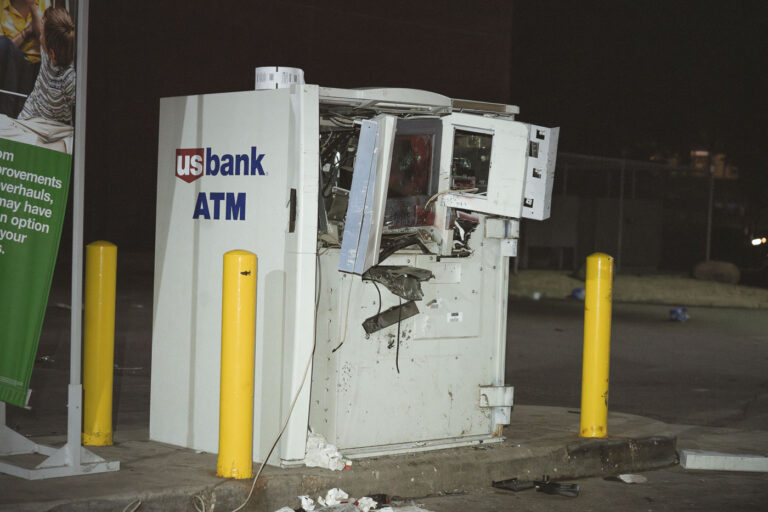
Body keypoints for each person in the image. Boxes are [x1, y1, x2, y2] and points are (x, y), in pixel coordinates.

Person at [18, 5, 74, 125]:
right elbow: (40, 27)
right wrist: (32, 7)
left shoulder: (69, 78)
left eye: (42, 35)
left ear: (52, 54)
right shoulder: (46, 52)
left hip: (50, 129)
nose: (40, 37)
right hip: (28, 117)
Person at [0, 0, 49, 117]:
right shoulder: (2, 5)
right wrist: (26, 32)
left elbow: (46, 42)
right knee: (4, 44)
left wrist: (32, 7)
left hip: (37, 64)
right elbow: (3, 49)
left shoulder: (43, 3)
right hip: (11, 65)